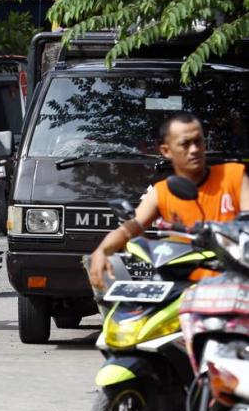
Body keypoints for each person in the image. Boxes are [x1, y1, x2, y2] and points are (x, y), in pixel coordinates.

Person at [89, 111, 249, 291]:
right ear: (166, 151)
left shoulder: (234, 175)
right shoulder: (161, 192)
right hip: (182, 293)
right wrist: (102, 251)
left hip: (235, 289)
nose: (194, 149)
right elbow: (129, 228)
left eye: (198, 141)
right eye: (185, 144)